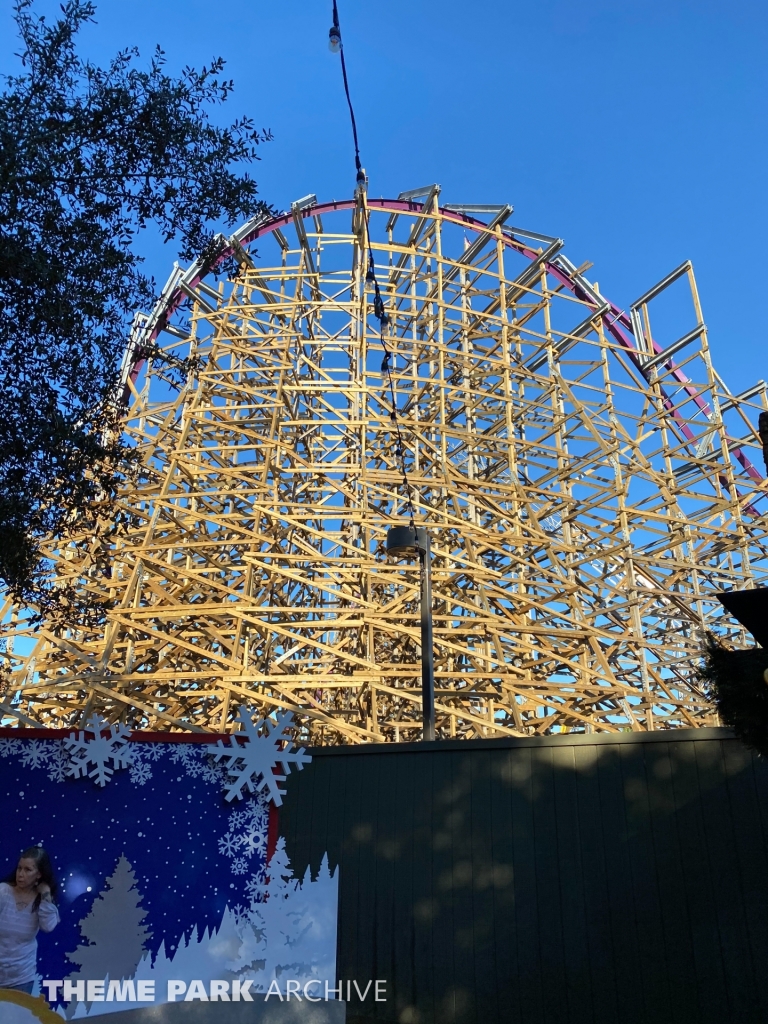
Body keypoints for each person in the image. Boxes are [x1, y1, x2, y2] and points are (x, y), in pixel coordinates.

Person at [0, 846, 59, 994]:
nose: (20, 874)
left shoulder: (41, 900)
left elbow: (48, 926)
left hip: (22, 978)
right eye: (19, 868)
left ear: (38, 874)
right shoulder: (3, 892)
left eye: (27, 870)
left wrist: (46, 894)